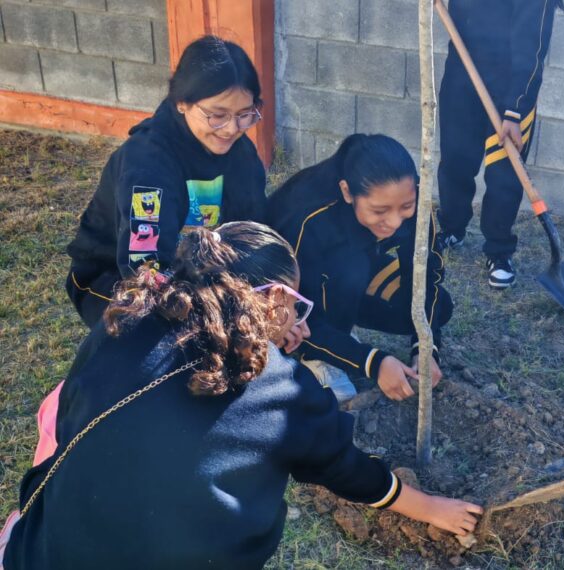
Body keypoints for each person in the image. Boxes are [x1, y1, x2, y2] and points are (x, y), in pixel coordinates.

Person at [2, 223, 482, 570]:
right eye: (296, 306)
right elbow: (348, 471)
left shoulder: (123, 320)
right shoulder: (285, 390)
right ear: (273, 300)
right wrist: (433, 508)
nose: (300, 321)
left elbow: (71, 414)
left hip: (41, 553)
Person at [65, 35, 268, 328]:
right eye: (218, 116)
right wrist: (210, 311)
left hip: (199, 270)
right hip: (112, 275)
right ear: (182, 102)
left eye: (244, 115)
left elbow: (253, 230)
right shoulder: (147, 163)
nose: (232, 129)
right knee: (161, 331)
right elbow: (143, 270)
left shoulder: (242, 153)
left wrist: (266, 294)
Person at [268, 134, 451, 403]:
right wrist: (372, 362)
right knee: (351, 270)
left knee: (440, 304)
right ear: (347, 192)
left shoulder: (412, 199)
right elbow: (297, 310)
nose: (395, 222)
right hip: (286, 287)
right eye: (379, 211)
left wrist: (425, 348)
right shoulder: (310, 219)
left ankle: (340, 326)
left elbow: (425, 277)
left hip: (358, 267)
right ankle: (319, 355)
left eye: (406, 207)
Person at [435, 0, 564, 289]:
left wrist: (516, 108)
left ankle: (499, 249)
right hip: (462, 73)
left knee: (504, 175)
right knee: (456, 159)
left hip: (510, 89)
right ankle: (451, 227)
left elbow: (533, 46)